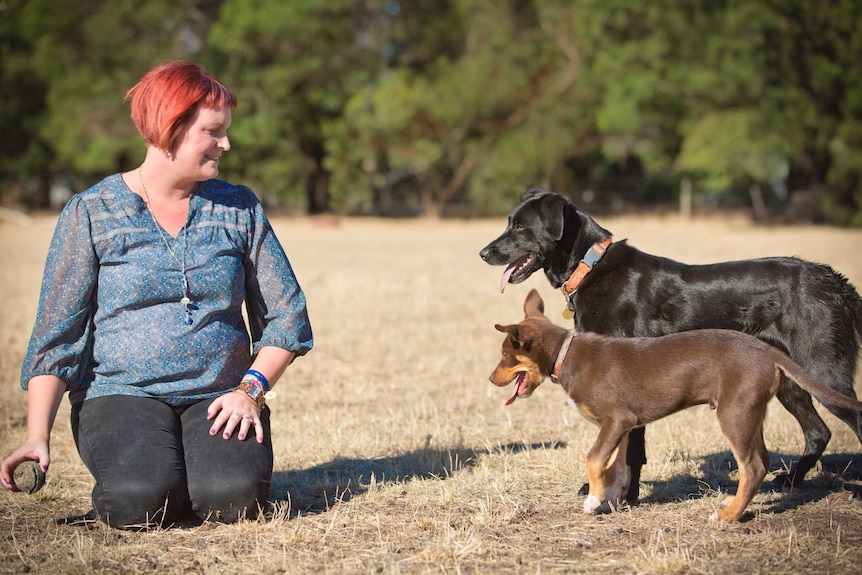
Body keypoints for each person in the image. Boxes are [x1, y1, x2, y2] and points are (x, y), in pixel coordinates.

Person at [0, 61, 313, 528]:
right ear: (171, 128)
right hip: (120, 393)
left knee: (233, 501)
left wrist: (250, 392)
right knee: (139, 503)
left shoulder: (239, 207)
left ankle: (200, 473)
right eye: (213, 131)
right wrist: (36, 434)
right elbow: (57, 337)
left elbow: (287, 318)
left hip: (220, 396)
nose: (226, 144)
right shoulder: (91, 212)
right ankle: (154, 479)